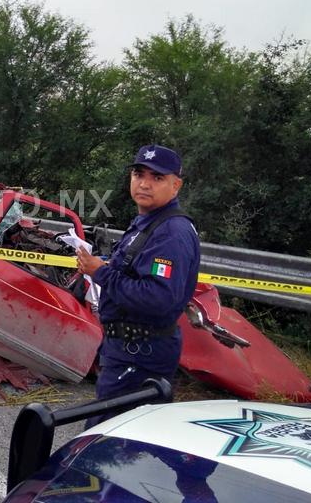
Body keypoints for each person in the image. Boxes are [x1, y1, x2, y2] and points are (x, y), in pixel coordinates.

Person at [76, 144, 200, 427]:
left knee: (104, 441)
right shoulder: (148, 222)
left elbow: (158, 298)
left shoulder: (171, 233)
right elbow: (134, 270)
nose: (144, 183)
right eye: (138, 173)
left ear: (176, 185)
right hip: (126, 349)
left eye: (157, 178)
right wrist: (104, 266)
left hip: (141, 355)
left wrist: (101, 274)